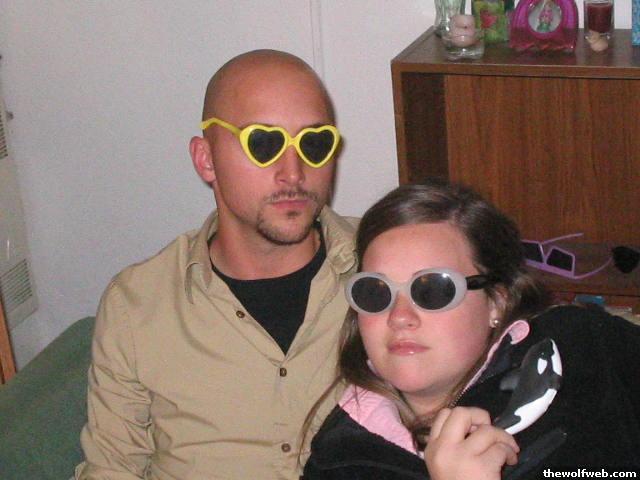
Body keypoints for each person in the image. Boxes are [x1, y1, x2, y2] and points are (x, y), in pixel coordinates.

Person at [75, 50, 358, 480]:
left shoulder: (386, 269)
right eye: (264, 144)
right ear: (206, 159)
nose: (294, 172)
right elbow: (112, 468)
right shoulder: (137, 305)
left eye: (314, 144)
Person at [303, 179, 640, 479]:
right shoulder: (338, 459)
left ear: (496, 302)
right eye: (375, 292)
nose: (399, 317)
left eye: (433, 289)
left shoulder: (587, 349)